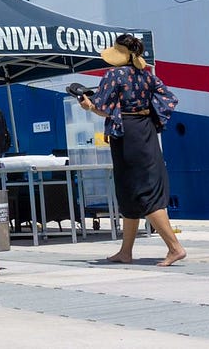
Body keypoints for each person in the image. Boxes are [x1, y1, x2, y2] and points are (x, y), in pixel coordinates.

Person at [78, 34, 186, 266]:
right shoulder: (146, 76)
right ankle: (125, 251)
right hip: (145, 131)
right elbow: (169, 98)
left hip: (127, 134)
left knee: (142, 192)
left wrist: (88, 105)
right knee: (130, 193)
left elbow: (102, 107)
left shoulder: (114, 75)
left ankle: (175, 247)